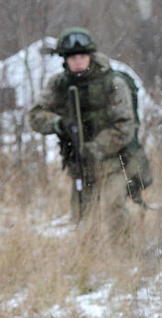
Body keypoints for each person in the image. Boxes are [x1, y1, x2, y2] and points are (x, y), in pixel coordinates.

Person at [28, 27, 150, 239]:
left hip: (112, 160)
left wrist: (96, 147)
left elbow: (125, 126)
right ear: (65, 60)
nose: (78, 61)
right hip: (78, 163)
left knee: (114, 209)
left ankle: (126, 259)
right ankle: (89, 260)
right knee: (84, 215)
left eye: (82, 56)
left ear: (90, 56)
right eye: (72, 57)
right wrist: (58, 123)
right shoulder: (59, 84)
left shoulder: (113, 83)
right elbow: (36, 115)